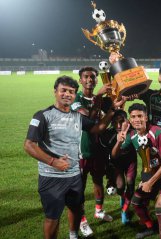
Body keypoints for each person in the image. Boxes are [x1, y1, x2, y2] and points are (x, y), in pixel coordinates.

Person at [24, 76, 119, 239]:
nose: (67, 94)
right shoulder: (43, 116)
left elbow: (97, 128)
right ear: (55, 92)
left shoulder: (77, 117)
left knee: (76, 209)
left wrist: (112, 111)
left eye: (71, 92)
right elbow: (29, 145)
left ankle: (73, 235)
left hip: (74, 175)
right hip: (52, 177)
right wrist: (53, 162)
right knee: (52, 216)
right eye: (64, 90)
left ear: (75, 95)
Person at [112, 103, 161, 239]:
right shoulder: (131, 135)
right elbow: (114, 155)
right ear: (130, 120)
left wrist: (149, 182)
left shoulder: (157, 132)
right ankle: (150, 227)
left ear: (146, 118)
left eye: (140, 116)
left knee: (160, 206)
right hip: (152, 174)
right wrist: (119, 140)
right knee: (136, 202)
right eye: (133, 117)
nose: (137, 119)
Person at [70, 66, 114, 236]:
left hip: (98, 150)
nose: (89, 80)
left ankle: (98, 210)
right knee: (79, 188)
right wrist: (99, 96)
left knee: (98, 181)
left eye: (93, 77)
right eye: (86, 77)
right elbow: (88, 118)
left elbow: (110, 115)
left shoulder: (101, 99)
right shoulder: (76, 98)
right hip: (81, 151)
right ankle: (82, 221)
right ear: (80, 80)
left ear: (97, 80)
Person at [98, 110, 137, 225]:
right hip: (117, 163)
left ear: (126, 121)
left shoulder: (133, 132)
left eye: (121, 122)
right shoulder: (108, 134)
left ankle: (124, 211)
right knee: (120, 186)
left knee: (130, 185)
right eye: (115, 122)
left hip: (131, 162)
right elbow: (113, 156)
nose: (119, 126)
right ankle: (122, 197)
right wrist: (119, 141)